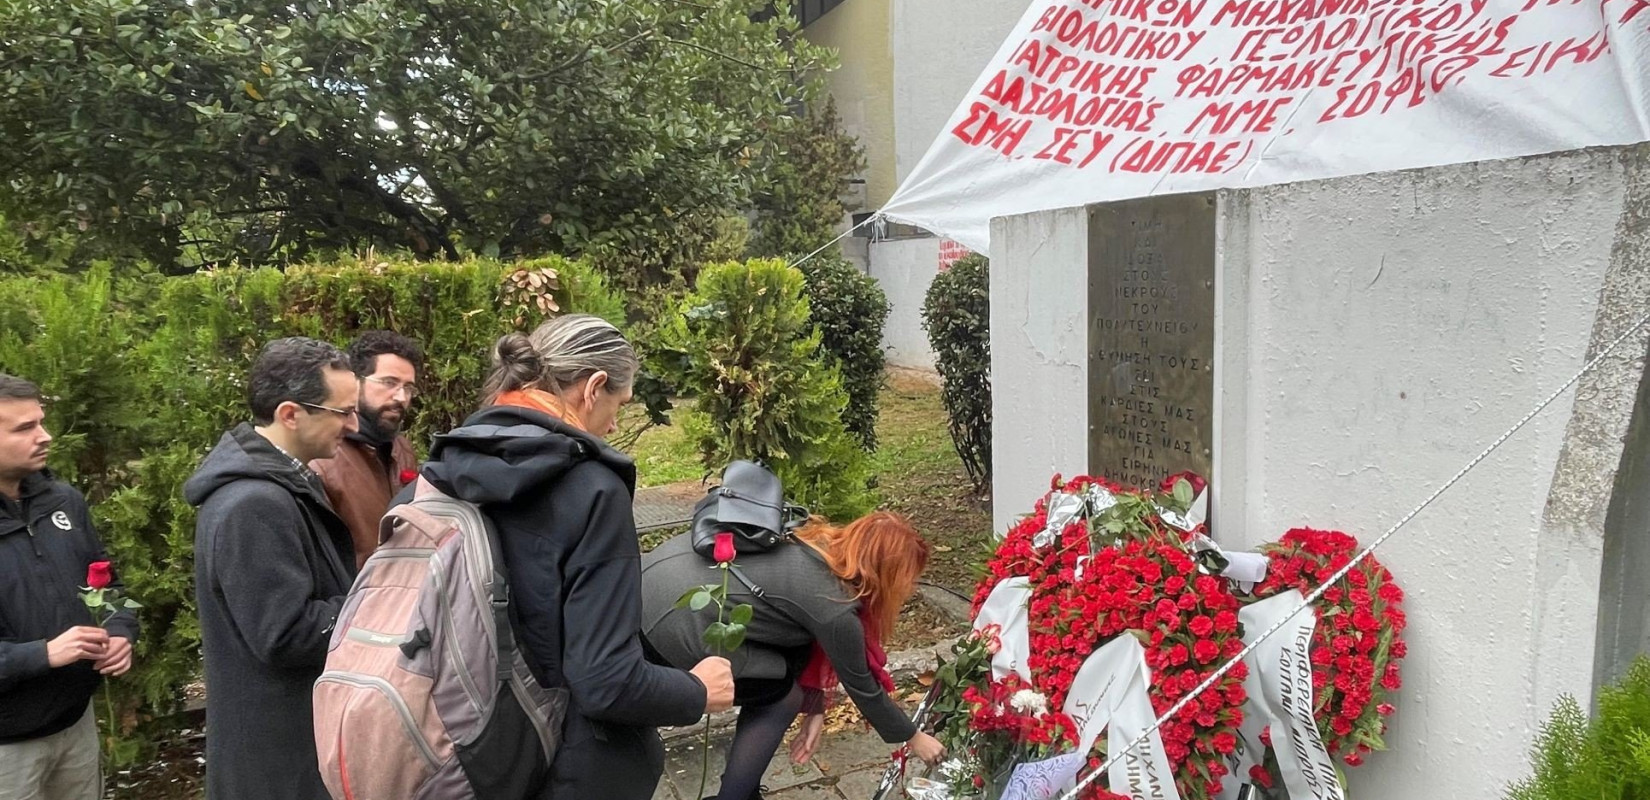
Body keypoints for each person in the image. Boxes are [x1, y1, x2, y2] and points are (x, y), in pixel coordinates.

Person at [410, 314, 734, 800]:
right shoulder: (590, 491)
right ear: (593, 386)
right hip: (568, 766)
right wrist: (697, 691)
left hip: (465, 755)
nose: (616, 423)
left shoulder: (442, 473)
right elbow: (604, 681)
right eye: (619, 404)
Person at [641, 511, 948, 800]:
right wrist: (914, 738)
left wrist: (814, 707)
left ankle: (741, 781)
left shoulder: (812, 536)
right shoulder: (835, 608)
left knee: (773, 680)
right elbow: (863, 687)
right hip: (673, 628)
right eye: (908, 578)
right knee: (782, 697)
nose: (910, 588)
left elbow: (798, 643)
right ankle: (736, 794)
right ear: (886, 574)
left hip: (646, 586)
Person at [184, 338, 359, 800]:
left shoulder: (284, 484)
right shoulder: (253, 503)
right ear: (290, 414)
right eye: (342, 412)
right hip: (278, 760)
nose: (353, 424)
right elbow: (284, 634)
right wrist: (372, 607)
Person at [0, 374, 138, 800]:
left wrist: (121, 630)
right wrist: (42, 654)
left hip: (75, 725)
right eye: (24, 428)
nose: (45, 436)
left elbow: (107, 584)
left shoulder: (63, 502)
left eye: (40, 421)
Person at [310, 330, 423, 568]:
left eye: (409, 387)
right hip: (353, 601)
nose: (401, 397)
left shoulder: (402, 450)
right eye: (389, 383)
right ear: (355, 382)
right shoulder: (321, 458)